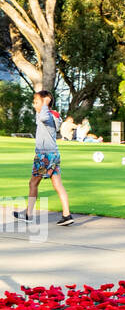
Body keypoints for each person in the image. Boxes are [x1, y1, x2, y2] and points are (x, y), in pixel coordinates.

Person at [15, 90, 73, 227]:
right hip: (53, 154)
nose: (34, 105)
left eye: (36, 102)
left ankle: (28, 214)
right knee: (57, 184)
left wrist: (45, 103)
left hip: (44, 156)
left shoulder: (46, 115)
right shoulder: (51, 114)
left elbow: (42, 118)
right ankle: (66, 214)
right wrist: (43, 105)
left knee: (33, 183)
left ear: (46, 102)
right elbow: (42, 116)